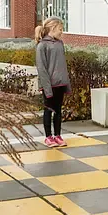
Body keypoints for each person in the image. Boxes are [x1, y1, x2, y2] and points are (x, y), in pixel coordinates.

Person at [35, 16, 69, 148]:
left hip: (60, 84)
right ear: (53, 28)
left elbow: (62, 65)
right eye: (60, 29)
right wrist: (47, 87)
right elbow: (42, 68)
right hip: (49, 85)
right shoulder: (42, 45)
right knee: (48, 110)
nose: (62, 32)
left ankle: (58, 135)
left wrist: (66, 83)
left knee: (58, 111)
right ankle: (48, 137)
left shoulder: (60, 44)